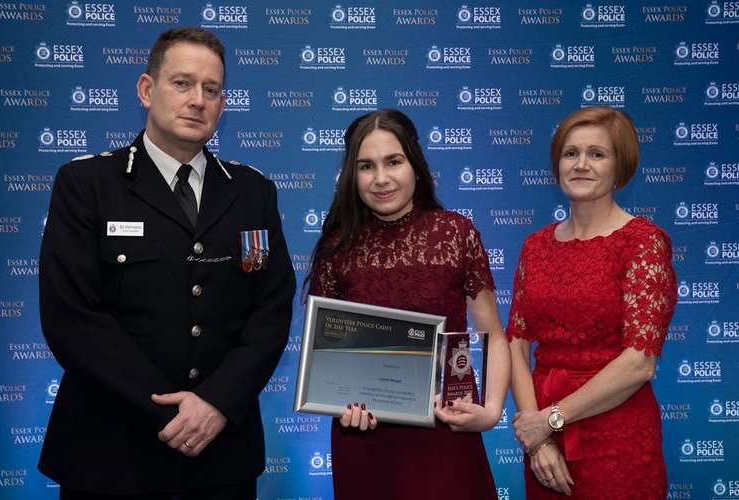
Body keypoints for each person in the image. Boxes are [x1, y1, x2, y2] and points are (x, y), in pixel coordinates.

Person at [38, 27, 295, 499]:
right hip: (111, 453)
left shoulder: (252, 193)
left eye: (211, 89)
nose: (197, 100)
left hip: (223, 454)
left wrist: (216, 403)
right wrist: (171, 414)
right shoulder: (87, 183)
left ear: (222, 104)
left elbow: (271, 311)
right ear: (146, 89)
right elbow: (71, 318)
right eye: (182, 83)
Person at [306, 108, 511, 499]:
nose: (381, 178)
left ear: (415, 165)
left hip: (445, 430)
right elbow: (325, 355)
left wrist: (491, 410)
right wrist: (339, 405)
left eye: (393, 162)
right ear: (353, 175)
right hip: (363, 439)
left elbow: (495, 336)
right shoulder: (337, 247)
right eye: (366, 166)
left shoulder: (455, 233)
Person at [507, 106, 677, 498]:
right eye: (571, 153)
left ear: (620, 167)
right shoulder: (535, 246)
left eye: (597, 154)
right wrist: (539, 439)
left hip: (617, 438)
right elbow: (516, 343)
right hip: (545, 448)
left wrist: (550, 420)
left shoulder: (643, 243)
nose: (581, 164)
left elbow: (639, 362)